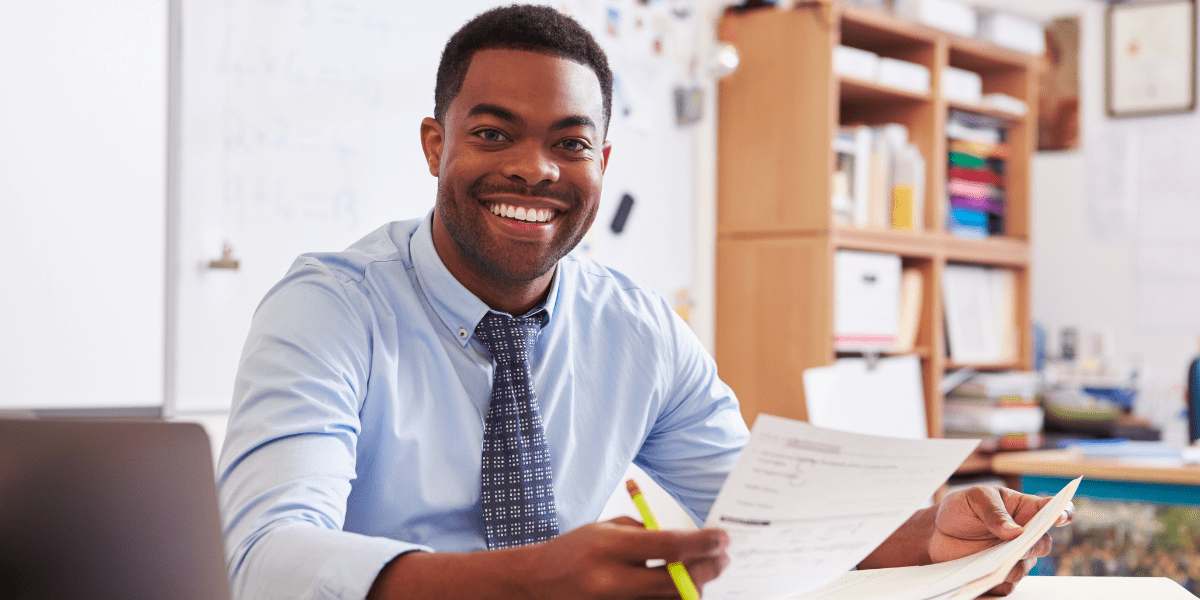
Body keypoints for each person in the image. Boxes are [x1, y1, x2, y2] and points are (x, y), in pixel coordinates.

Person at [217, 5, 1072, 600]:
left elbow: (757, 526)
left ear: (602, 160)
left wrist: (930, 535)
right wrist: (529, 583)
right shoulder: (328, 309)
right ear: (435, 144)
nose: (534, 169)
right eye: (491, 133)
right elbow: (268, 563)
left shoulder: (639, 327)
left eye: (570, 143)